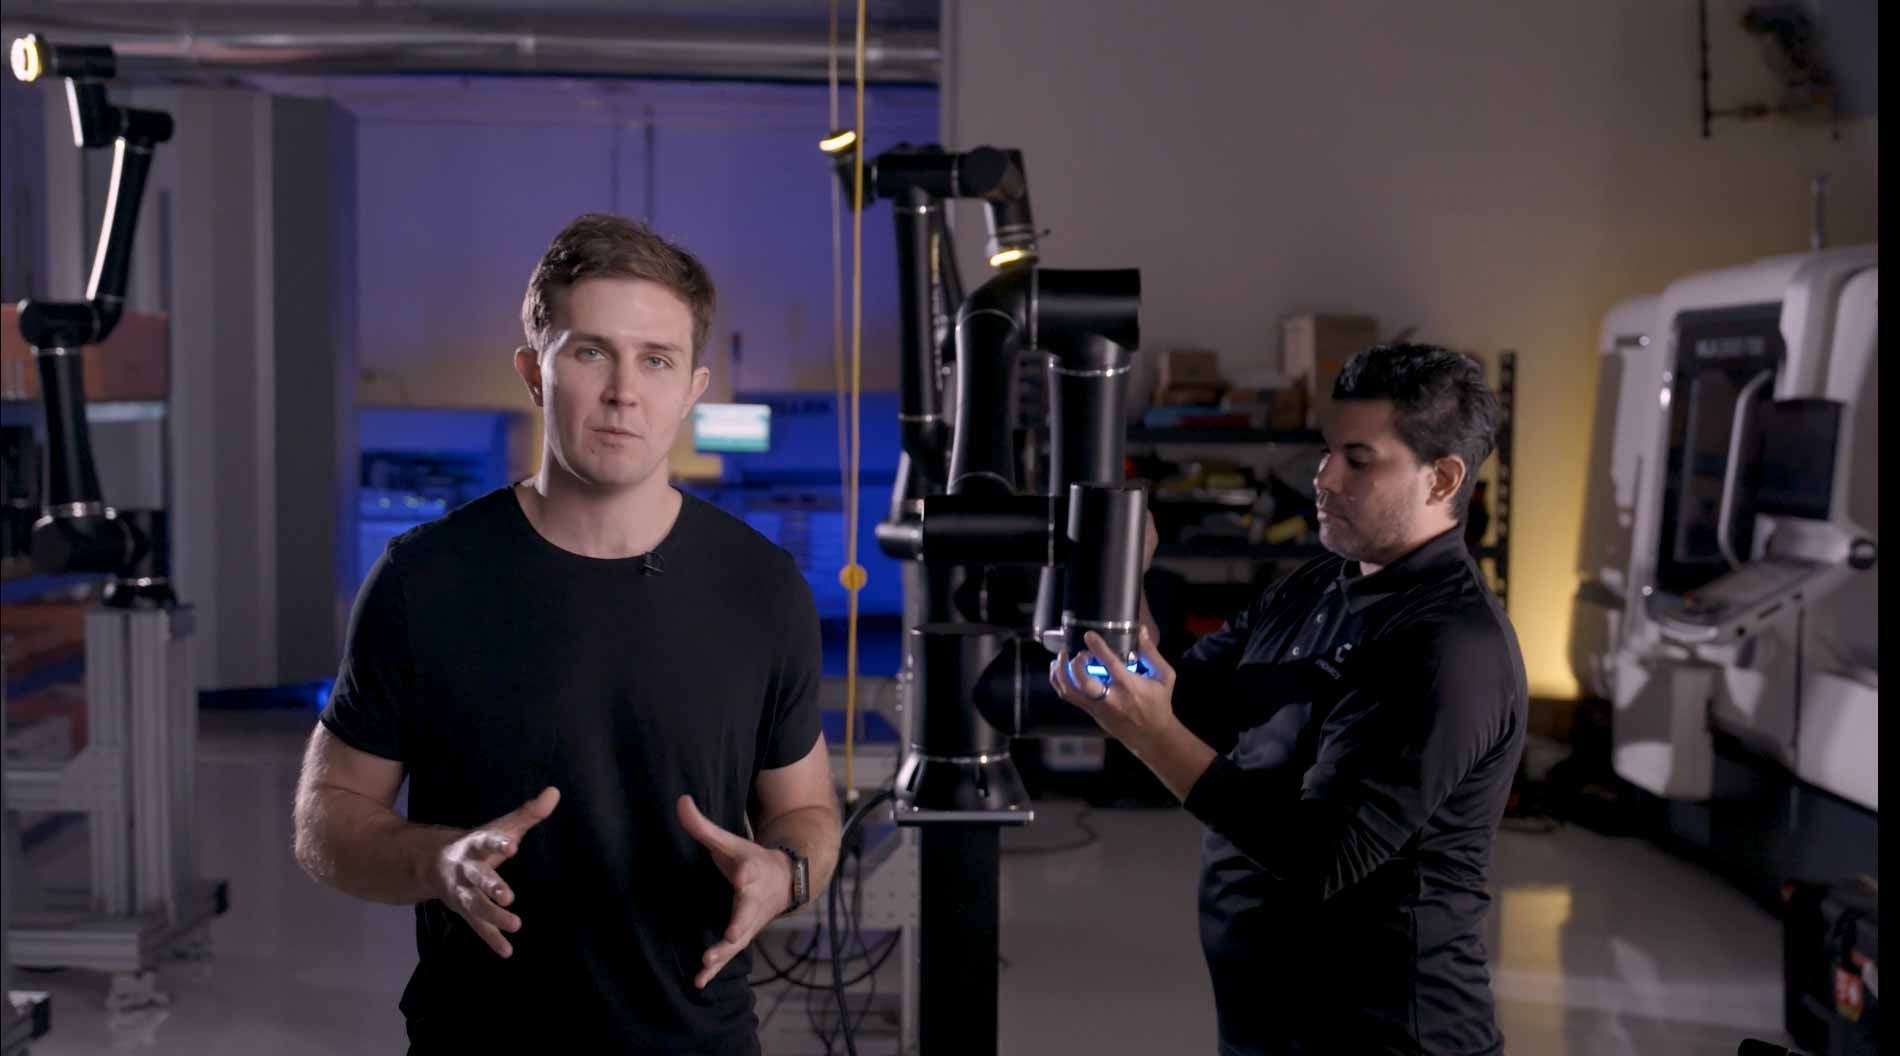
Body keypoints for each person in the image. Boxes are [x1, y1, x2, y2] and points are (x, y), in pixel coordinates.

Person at [293, 213, 841, 1055]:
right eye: (590, 352)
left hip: (698, 1041)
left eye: (655, 360)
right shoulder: (426, 580)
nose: (625, 390)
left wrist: (786, 873)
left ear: (692, 389)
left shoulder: (761, 588)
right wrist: (437, 862)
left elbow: (805, 809)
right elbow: (326, 821)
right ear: (534, 373)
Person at [1050, 343, 1526, 1055]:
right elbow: (1186, 700)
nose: (1323, 477)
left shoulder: (1448, 646)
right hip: (1266, 1027)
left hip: (1386, 1037)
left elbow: (1321, 856)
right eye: (1327, 450)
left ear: (1442, 478)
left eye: (1359, 460)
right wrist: (1127, 588)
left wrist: (1151, 738)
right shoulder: (1314, 586)